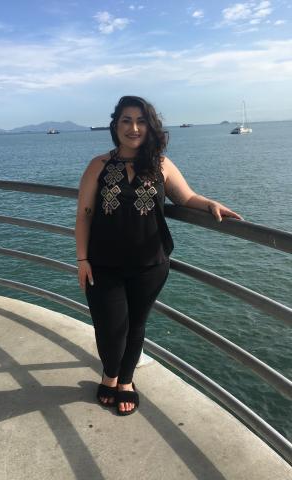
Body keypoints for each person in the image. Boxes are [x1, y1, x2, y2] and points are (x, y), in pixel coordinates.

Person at [75, 95, 242, 416]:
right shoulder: (99, 165)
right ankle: (109, 372)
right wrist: (82, 259)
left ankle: (124, 381)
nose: (133, 128)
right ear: (115, 125)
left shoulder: (161, 164)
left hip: (150, 264)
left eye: (141, 121)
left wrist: (209, 204)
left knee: (136, 324)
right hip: (102, 264)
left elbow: (186, 196)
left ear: (150, 127)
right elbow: (84, 214)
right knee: (109, 328)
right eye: (126, 120)